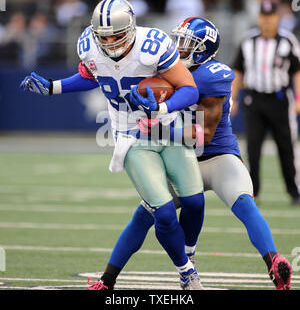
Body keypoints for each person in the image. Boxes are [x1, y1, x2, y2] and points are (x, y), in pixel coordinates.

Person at [20, 0, 205, 290]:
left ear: (131, 27)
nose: (111, 43)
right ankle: (186, 271)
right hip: (130, 134)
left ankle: (189, 254)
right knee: (166, 214)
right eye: (104, 37)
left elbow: (189, 89)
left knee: (195, 202)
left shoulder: (152, 45)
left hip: (167, 128)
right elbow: (92, 74)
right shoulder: (89, 46)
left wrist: (159, 110)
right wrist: (54, 87)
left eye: (117, 35)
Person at [92, 17, 292, 291]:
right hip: (182, 160)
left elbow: (203, 136)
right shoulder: (167, 70)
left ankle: (274, 262)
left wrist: (158, 128)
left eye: (187, 43)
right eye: (179, 40)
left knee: (245, 204)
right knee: (144, 216)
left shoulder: (212, 77)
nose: (178, 46)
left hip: (217, 157)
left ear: (203, 49)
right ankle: (107, 281)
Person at [231, 0, 300, 206]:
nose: (267, 21)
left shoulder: (288, 41)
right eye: (264, 17)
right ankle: (254, 191)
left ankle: (294, 191)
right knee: (253, 147)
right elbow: (238, 71)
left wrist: (298, 98)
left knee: (286, 147)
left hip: (280, 99)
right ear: (259, 18)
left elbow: (297, 72)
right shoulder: (247, 41)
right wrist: (233, 99)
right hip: (254, 100)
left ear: (277, 18)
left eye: (271, 17)